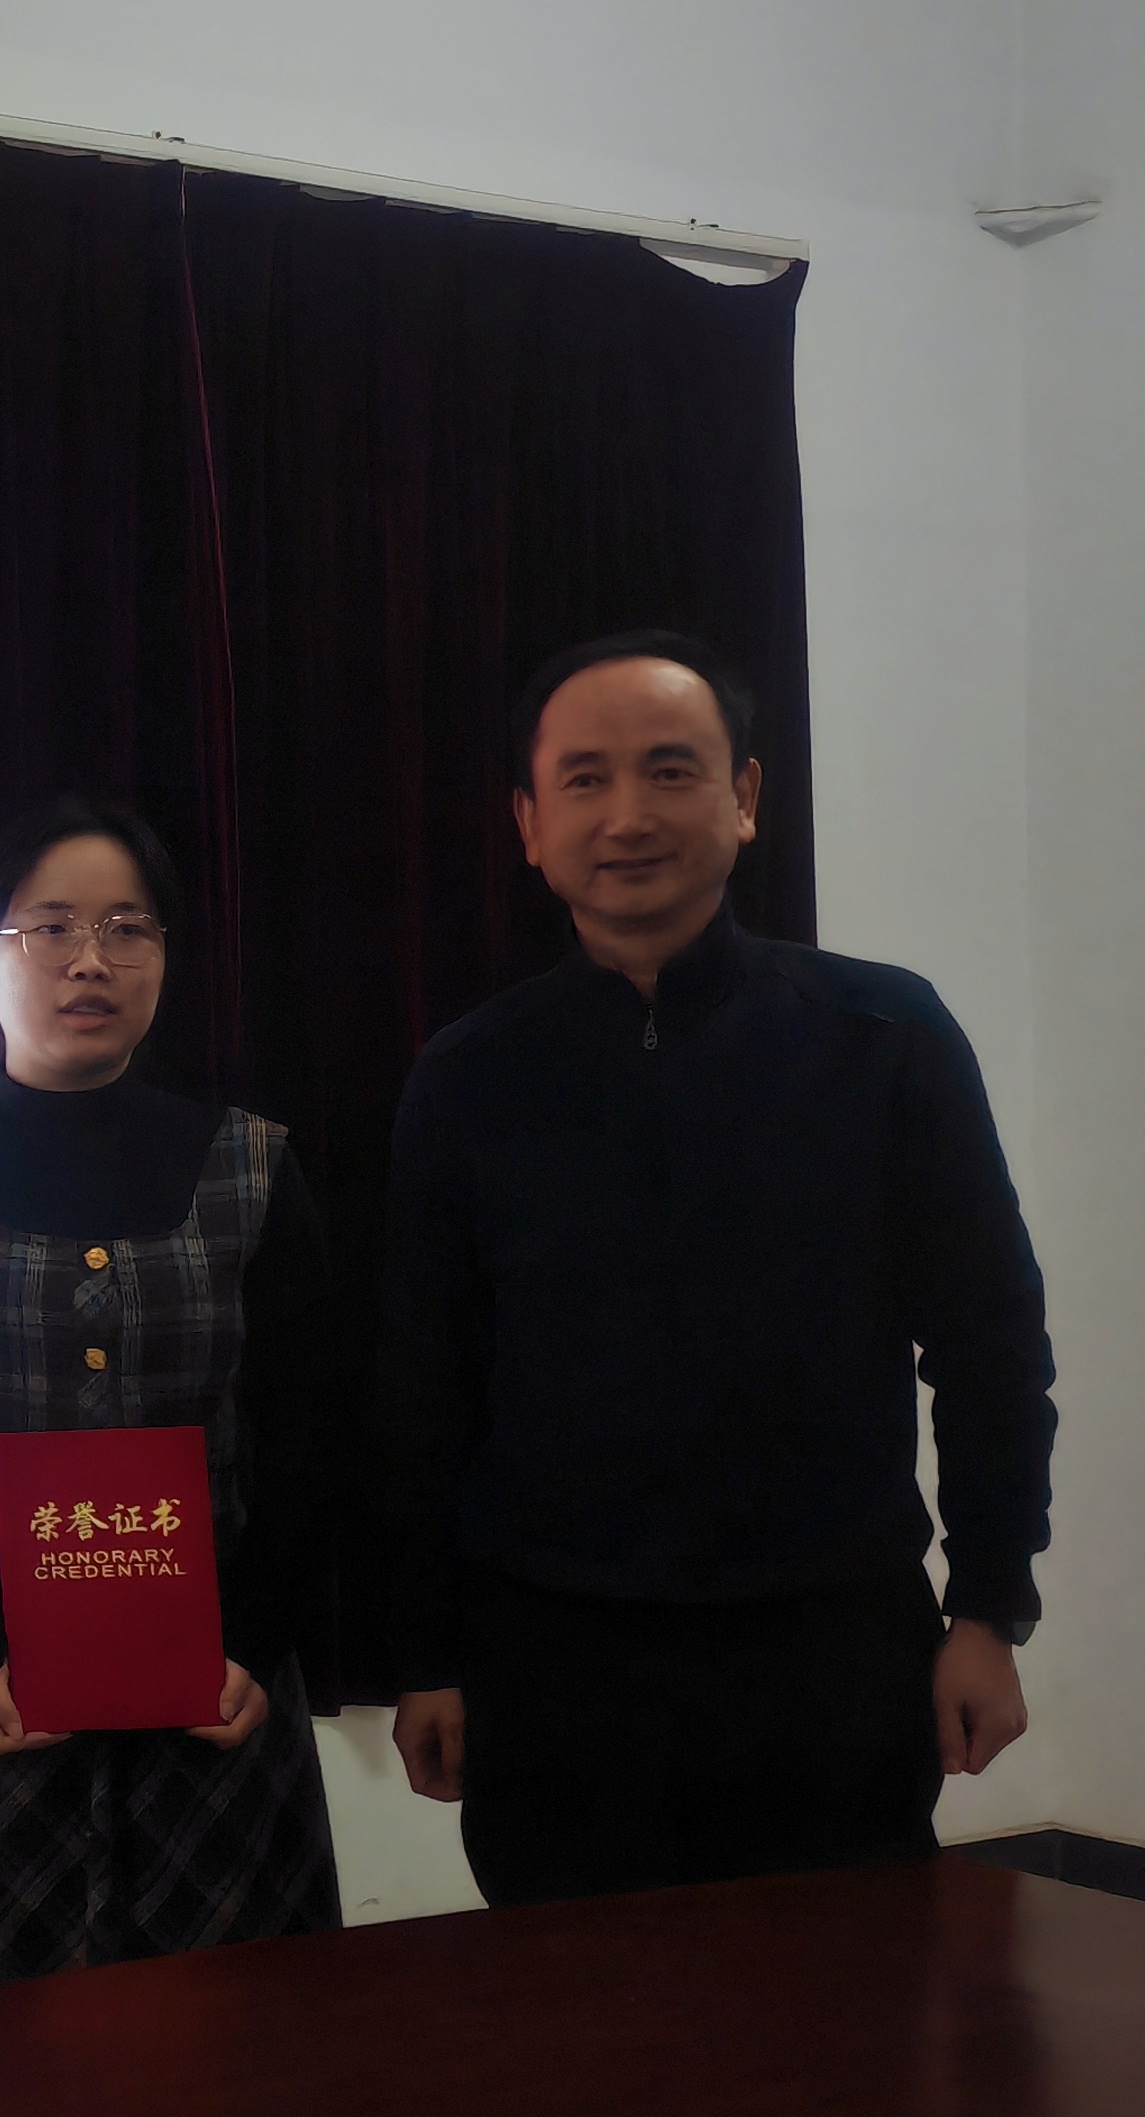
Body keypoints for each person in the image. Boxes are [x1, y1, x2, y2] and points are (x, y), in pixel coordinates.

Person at [381, 630, 1051, 1905]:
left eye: (670, 769)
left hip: (829, 1649)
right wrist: (421, 1655)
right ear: (528, 824)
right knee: (571, 2011)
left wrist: (986, 1608)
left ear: (744, 796)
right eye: (583, 779)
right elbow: (421, 1387)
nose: (627, 815)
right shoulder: (467, 1078)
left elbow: (990, 1344)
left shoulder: (885, 1037)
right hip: (551, 1665)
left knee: (845, 2007)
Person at [0, 795, 345, 2007]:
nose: (90, 959)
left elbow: (312, 1420)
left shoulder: (253, 1164)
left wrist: (250, 1642)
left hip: (212, 1698)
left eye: (125, 927)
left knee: (236, 2050)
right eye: (48, 927)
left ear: (164, 954)